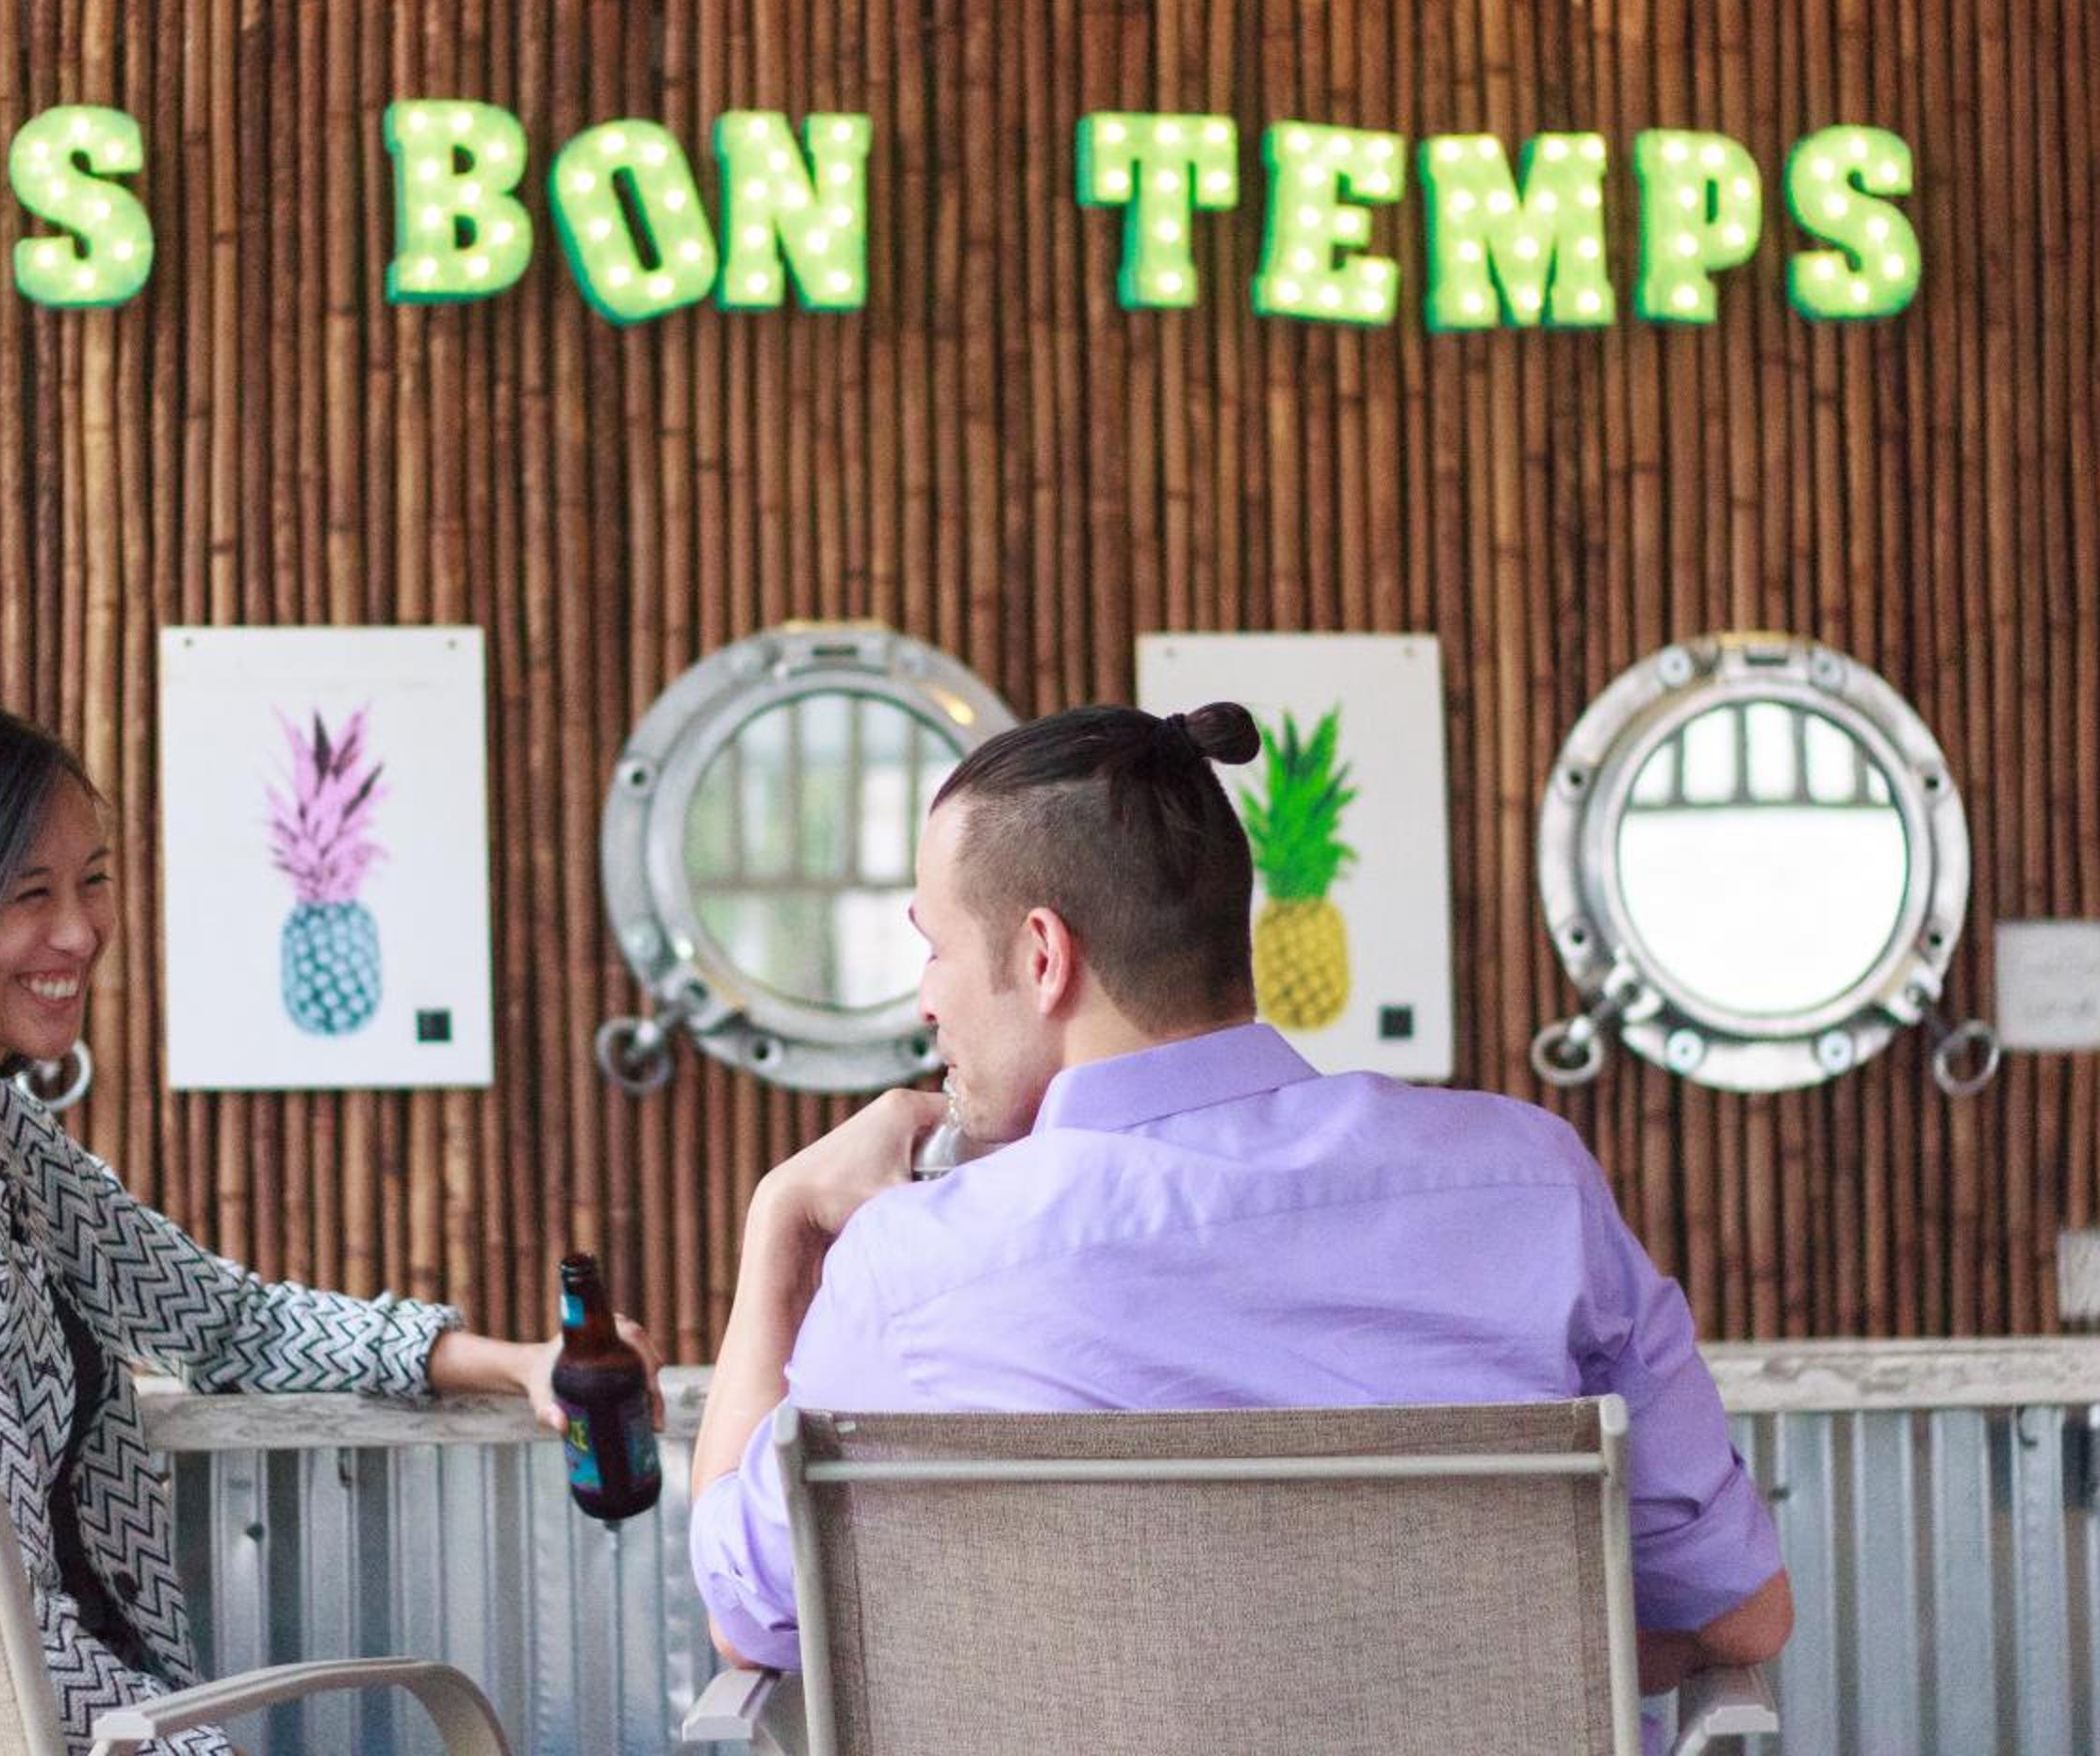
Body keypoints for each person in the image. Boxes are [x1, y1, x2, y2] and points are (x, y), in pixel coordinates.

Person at [690, 700, 1791, 1707]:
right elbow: (1738, 1614)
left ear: (1043, 955)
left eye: (935, 947)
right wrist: (1460, 1665)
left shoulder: (914, 1270)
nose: (927, 997)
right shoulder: (1531, 1186)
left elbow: (750, 1624)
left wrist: (781, 1222)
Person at [0, 695, 660, 1756]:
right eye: (30, 894)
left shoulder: (3, 1139)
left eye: (93, 880)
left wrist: (515, 1362)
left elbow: (227, 1322)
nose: (80, 932)